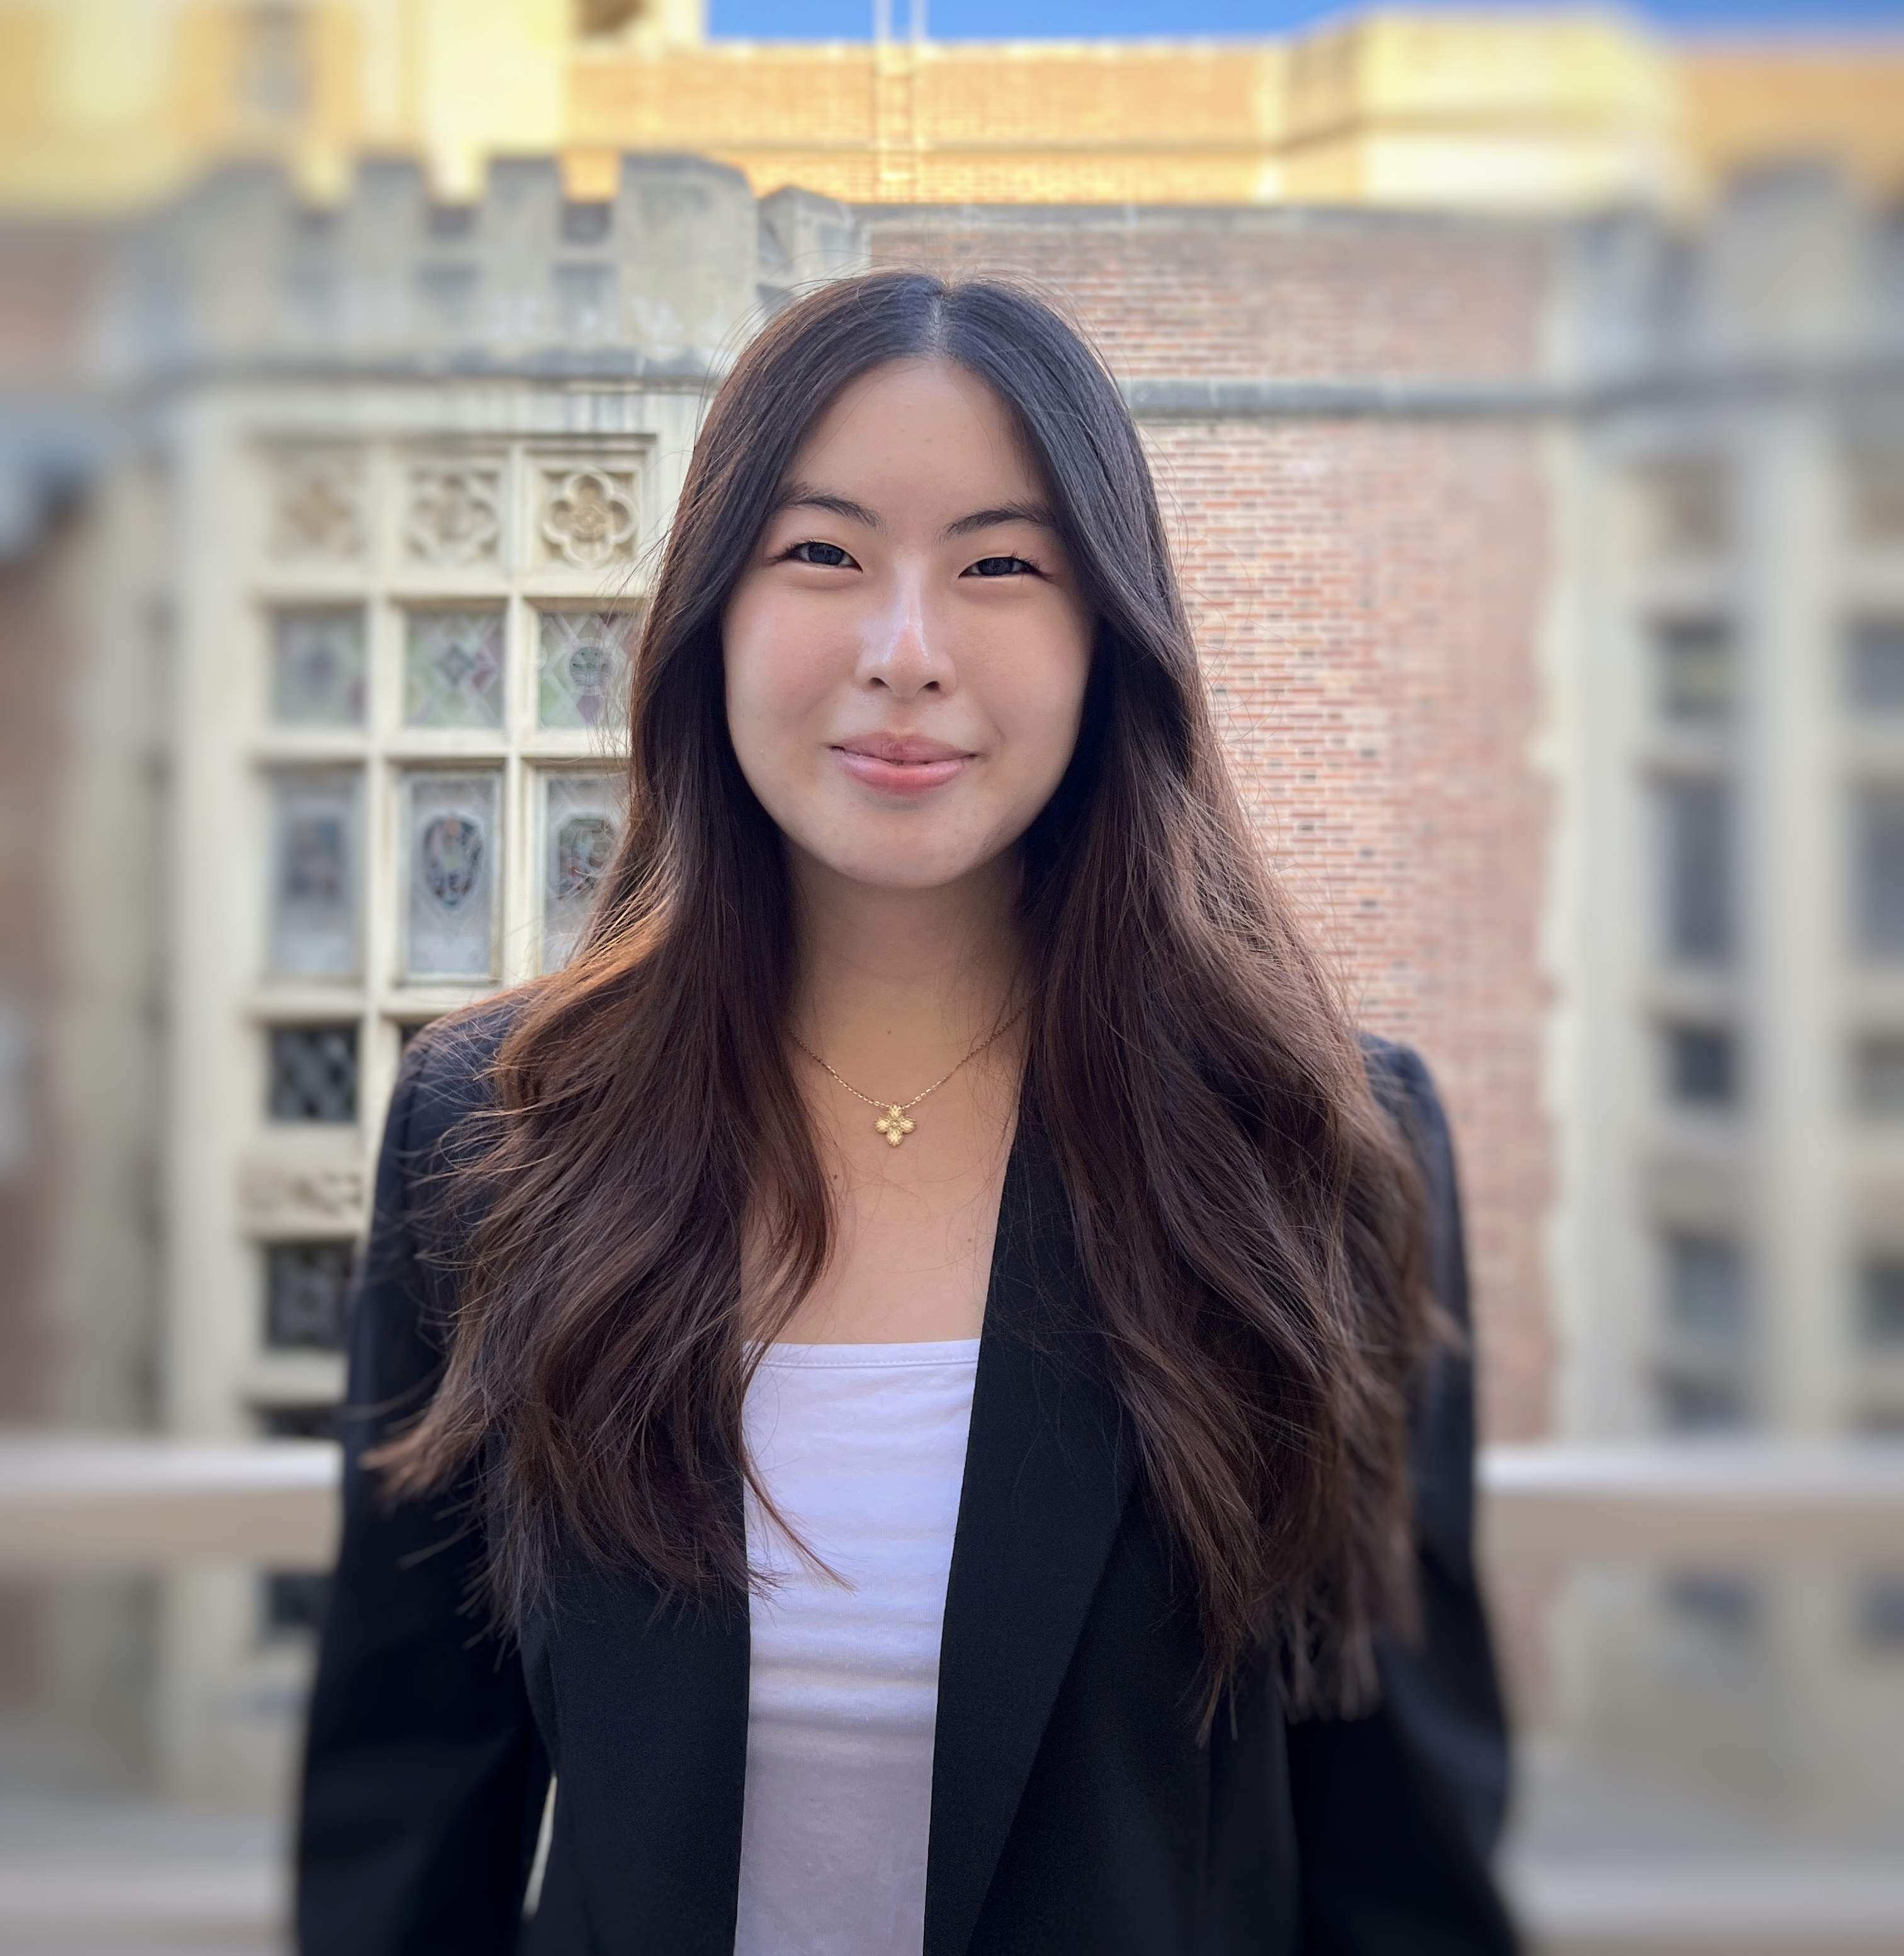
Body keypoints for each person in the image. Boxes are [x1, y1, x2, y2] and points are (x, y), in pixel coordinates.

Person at [297, 271, 1518, 1956]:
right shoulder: (495, 1139)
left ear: (1110, 635)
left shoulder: (1313, 1148)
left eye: (1003, 566)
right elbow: (401, 1829)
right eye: (825, 554)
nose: (905, 651)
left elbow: (1406, 1870)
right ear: (712, 611)